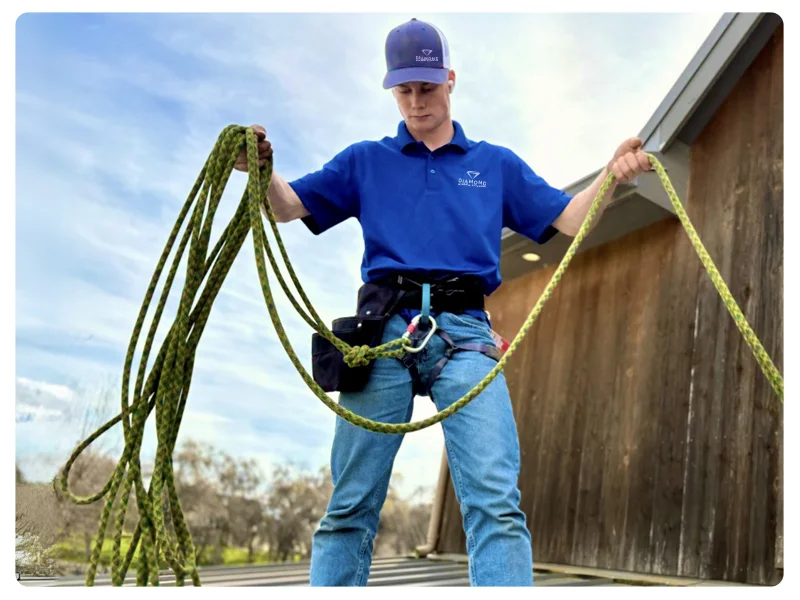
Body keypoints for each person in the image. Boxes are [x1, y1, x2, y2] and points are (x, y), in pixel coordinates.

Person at [237, 17, 651, 587]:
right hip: (383, 329)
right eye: (403, 90)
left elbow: (565, 219)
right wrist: (262, 170)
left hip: (467, 331)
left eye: (426, 87)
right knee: (349, 507)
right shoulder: (365, 160)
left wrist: (612, 175)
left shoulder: (494, 163)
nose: (415, 101)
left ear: (450, 79)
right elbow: (286, 207)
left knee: (496, 504)